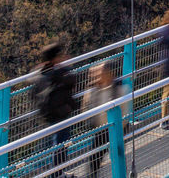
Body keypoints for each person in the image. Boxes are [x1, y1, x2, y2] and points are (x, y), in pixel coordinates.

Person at [33, 41, 79, 176]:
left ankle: (56, 173)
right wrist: (66, 67)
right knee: (60, 146)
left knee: (52, 145)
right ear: (55, 57)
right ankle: (56, 174)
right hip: (60, 113)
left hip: (47, 113)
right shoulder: (58, 72)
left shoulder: (41, 73)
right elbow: (71, 80)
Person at [82, 61, 124, 178]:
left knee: (117, 156)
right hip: (100, 129)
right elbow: (86, 107)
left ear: (109, 73)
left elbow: (125, 109)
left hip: (115, 129)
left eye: (100, 72)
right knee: (94, 160)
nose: (97, 75)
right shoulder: (93, 88)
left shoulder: (119, 87)